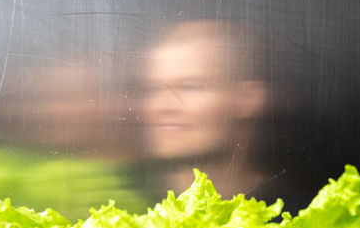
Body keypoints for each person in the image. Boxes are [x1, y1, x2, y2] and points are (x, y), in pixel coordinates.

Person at [133, 19, 315, 214]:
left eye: (189, 86)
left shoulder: (298, 217)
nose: (158, 106)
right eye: (153, 89)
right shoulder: (128, 201)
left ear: (249, 99)